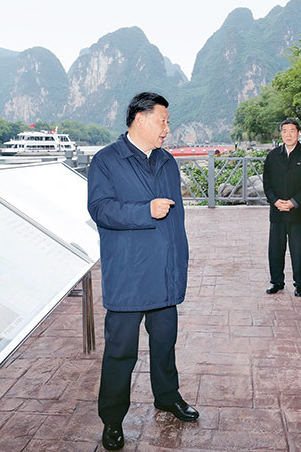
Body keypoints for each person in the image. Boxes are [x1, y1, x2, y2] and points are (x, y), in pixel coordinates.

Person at [87, 92, 198, 451]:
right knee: (121, 351)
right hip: (129, 274)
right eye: (162, 120)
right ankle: (112, 418)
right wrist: (144, 210)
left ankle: (167, 396)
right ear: (140, 119)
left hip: (164, 271)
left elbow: (176, 218)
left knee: (165, 342)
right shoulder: (106, 160)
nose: (167, 128)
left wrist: (179, 258)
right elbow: (101, 209)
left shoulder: (166, 161)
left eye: (167, 121)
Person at [263, 119, 301, 296]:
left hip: (298, 212)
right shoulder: (273, 156)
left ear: (298, 133)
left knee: (299, 250)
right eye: (284, 131)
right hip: (277, 212)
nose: (288, 134)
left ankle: (300, 284)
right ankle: (276, 282)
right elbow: (267, 183)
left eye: (292, 131)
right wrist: (275, 201)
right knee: (275, 250)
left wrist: (294, 202)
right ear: (281, 134)